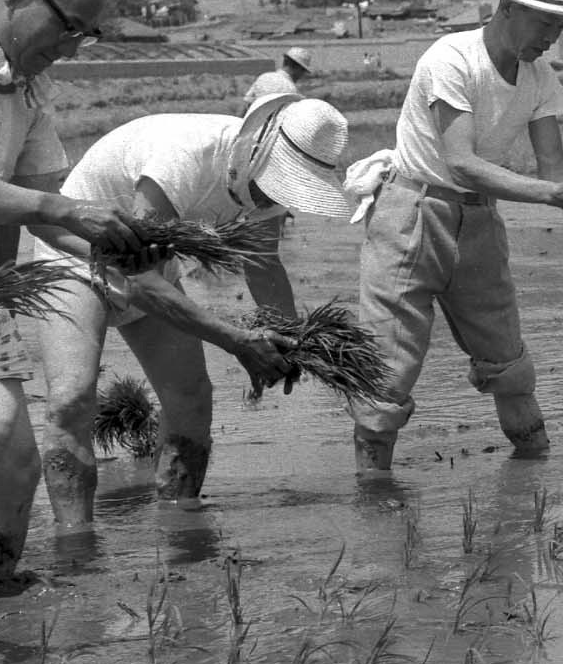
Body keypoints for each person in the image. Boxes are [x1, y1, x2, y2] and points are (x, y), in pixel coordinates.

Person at [31, 95, 348, 533]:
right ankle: (76, 543)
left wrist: (292, 343)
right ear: (254, 153)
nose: (273, 198)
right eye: (278, 183)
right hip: (74, 255)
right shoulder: (184, 157)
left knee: (192, 398)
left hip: (149, 262)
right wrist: (235, 340)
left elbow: (264, 265)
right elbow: (134, 274)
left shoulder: (266, 193)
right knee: (72, 398)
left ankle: (180, 525)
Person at [351, 0, 563, 476]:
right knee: (388, 368)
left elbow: (554, 168)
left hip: (479, 223)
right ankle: (374, 496)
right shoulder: (451, 59)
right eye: (546, 24)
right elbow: (462, 161)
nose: (552, 38)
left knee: (508, 362)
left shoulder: (538, 79)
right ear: (508, 8)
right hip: (413, 215)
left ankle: (534, 475)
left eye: (561, 27)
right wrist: (549, 195)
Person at [0, 0, 154, 588]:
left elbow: (41, 210)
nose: (69, 47)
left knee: (16, 463)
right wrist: (62, 212)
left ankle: (2, 590)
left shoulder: (27, 93)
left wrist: (108, 254)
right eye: (66, 28)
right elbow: (52, 207)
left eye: (84, 35)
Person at [246, 47, 315, 105]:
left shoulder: (263, 77)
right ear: (298, 68)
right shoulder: (291, 90)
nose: (302, 75)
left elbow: (247, 103)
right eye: (303, 71)